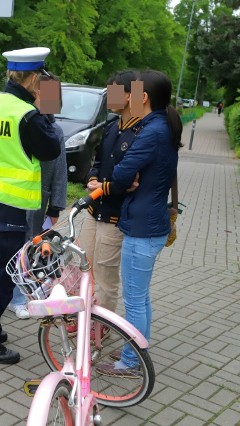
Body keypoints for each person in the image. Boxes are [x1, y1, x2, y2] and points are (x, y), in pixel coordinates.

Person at [0, 47, 61, 364]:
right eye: (42, 80)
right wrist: (44, 108)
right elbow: (51, 148)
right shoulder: (28, 115)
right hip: (11, 204)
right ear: (34, 78)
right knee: (3, 275)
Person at [94, 70, 182, 376]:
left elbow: (119, 175)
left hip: (143, 228)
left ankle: (131, 362)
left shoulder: (152, 131)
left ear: (143, 97)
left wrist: (121, 175)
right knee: (140, 297)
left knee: (134, 300)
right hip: (149, 223)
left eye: (132, 92)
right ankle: (136, 349)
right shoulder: (160, 125)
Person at [78, 70, 142, 321]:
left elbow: (131, 181)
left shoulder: (140, 132)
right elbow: (98, 159)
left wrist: (102, 186)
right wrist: (92, 178)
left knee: (106, 276)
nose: (109, 97)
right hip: (94, 211)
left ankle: (101, 326)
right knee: (84, 268)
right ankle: (82, 319)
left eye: (114, 91)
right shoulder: (112, 125)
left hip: (115, 217)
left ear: (130, 96)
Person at [7, 111, 67, 319]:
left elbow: (60, 169)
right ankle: (5, 296)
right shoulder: (16, 122)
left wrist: (56, 206)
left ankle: (18, 299)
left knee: (28, 250)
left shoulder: (54, 131)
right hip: (9, 196)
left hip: (38, 199)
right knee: (8, 248)